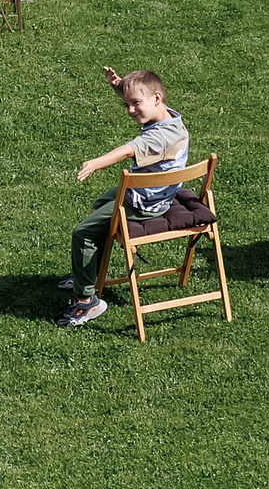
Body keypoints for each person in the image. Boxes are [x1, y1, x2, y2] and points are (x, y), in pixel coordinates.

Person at [60, 66, 190, 327]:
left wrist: (97, 162)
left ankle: (87, 302)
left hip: (145, 202)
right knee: (98, 206)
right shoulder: (170, 118)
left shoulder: (161, 137)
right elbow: (137, 96)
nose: (131, 110)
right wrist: (117, 84)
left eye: (135, 104)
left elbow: (130, 149)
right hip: (152, 192)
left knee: (82, 233)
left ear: (156, 98)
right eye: (126, 105)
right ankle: (88, 274)